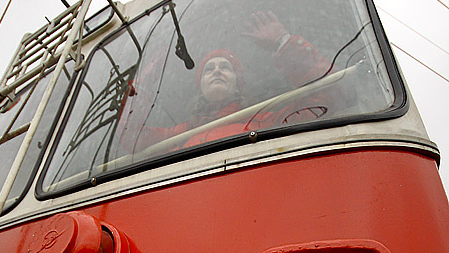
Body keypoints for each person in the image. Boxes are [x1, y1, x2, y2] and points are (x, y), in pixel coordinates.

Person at [124, 11, 333, 154]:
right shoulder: (182, 133)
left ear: (237, 83)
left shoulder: (263, 121)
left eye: (225, 67)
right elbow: (132, 139)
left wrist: (284, 43)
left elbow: (325, 97)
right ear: (200, 86)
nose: (216, 71)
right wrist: (141, 86)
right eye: (209, 69)